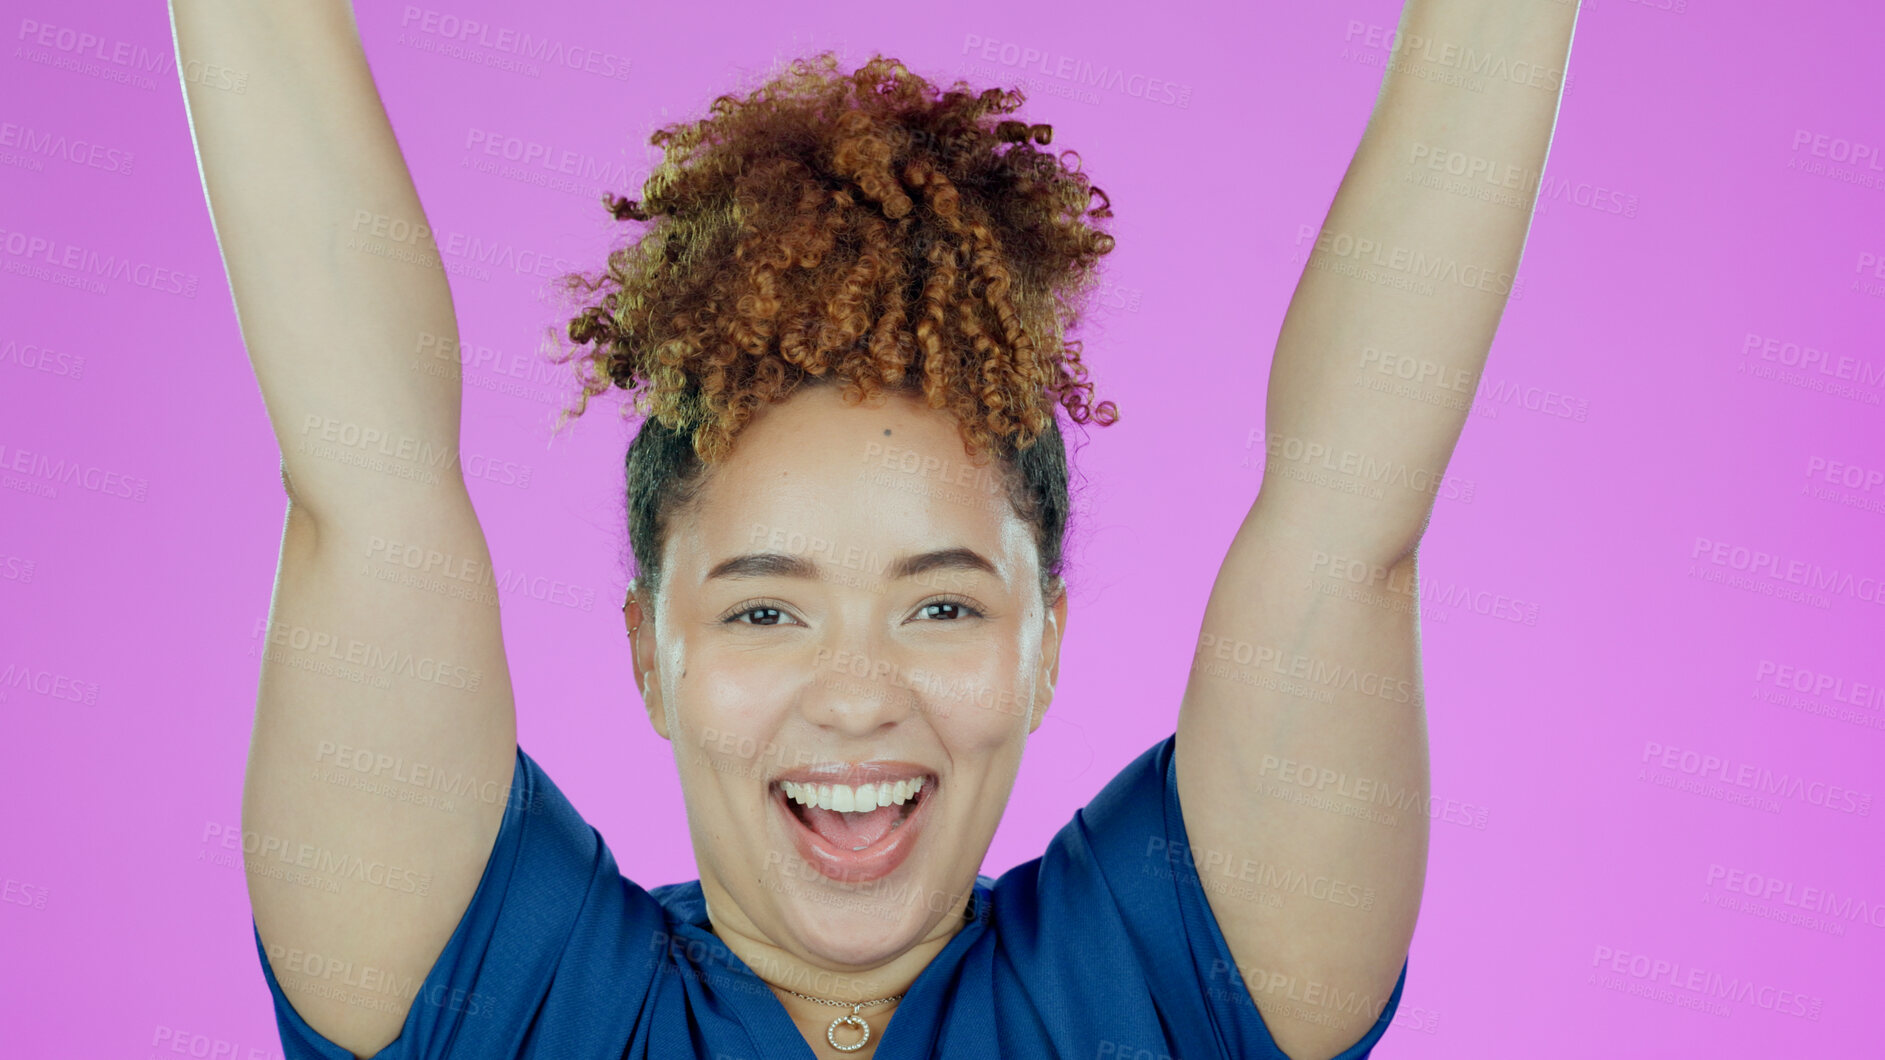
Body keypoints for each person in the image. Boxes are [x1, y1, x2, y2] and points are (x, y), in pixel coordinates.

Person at [171, 2, 1579, 1057]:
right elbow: (366, 490)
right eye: (764, 608)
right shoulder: (504, 997)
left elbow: (1349, 528)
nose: (856, 698)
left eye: (944, 604)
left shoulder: (1160, 981)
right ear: (649, 655)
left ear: (1044, 646)